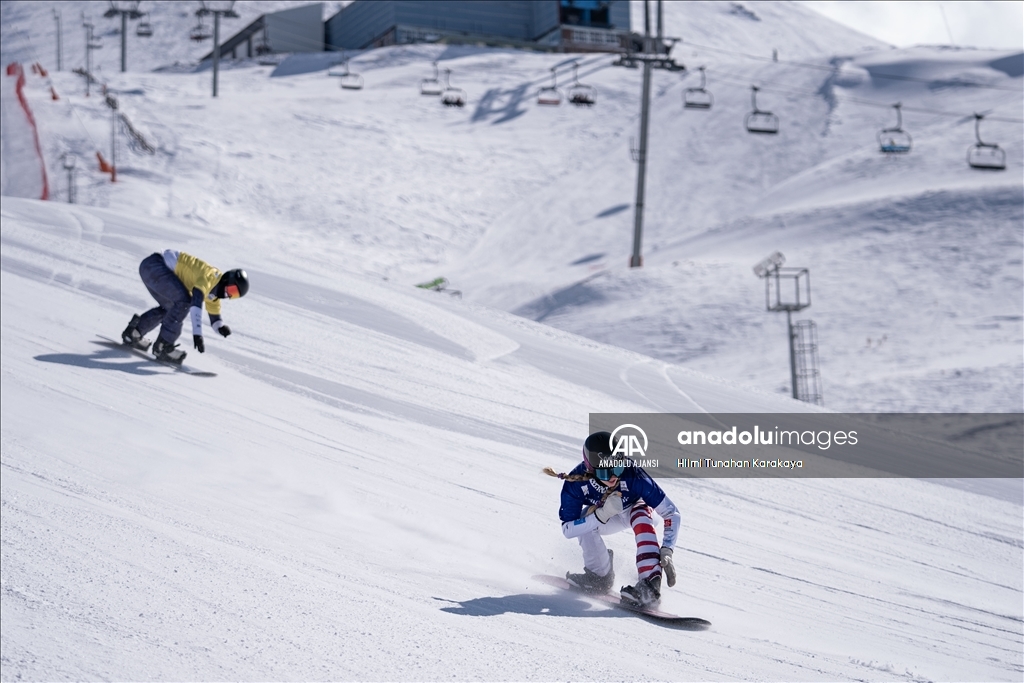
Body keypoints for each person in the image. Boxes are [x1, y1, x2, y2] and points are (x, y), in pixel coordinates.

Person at [545, 431, 680, 607]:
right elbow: (568, 529)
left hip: (637, 511)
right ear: (590, 470)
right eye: (604, 474)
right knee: (584, 519)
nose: (613, 477)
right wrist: (601, 515)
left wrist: (668, 549)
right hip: (605, 518)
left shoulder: (632, 474)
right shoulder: (576, 484)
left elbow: (671, 513)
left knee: (640, 513)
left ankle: (649, 584)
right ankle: (599, 576)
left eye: (617, 469)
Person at [121, 249, 248, 364]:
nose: (228, 295)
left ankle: (134, 333)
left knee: (172, 309)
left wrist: (220, 328)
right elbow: (196, 300)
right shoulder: (211, 277)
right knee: (183, 302)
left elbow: (215, 316)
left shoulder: (214, 295)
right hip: (155, 266)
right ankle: (164, 346)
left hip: (150, 268)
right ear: (227, 279)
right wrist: (197, 333)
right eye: (232, 290)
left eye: (234, 295)